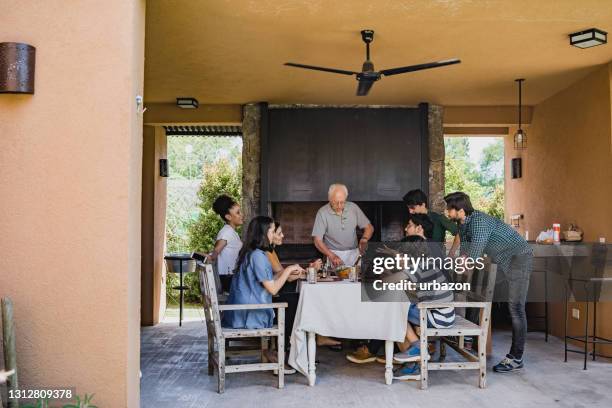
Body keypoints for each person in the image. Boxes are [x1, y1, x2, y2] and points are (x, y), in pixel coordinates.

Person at [444, 191, 533, 373]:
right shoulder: (463, 224)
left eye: (449, 208)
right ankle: (468, 340)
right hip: (500, 261)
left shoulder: (479, 221)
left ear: (460, 209)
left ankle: (516, 358)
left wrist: (453, 270)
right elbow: (466, 253)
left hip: (519, 258)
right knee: (476, 294)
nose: (446, 212)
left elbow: (473, 256)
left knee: (515, 308)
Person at [222, 216, 304, 372]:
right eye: (272, 231)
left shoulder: (252, 252)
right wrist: (287, 270)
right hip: (249, 315)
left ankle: (282, 353)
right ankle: (285, 355)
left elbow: (267, 280)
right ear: (263, 233)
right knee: (295, 303)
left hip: (241, 311)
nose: (275, 234)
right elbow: (273, 289)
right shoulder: (258, 256)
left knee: (292, 301)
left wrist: (290, 274)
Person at [391, 235, 456, 380]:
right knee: (397, 311)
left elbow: (391, 280)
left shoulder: (416, 266)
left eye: (401, 253)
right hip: (443, 315)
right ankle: (413, 364)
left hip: (438, 317)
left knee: (394, 312)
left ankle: (418, 350)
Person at [266, 223, 322, 351]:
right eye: (278, 233)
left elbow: (285, 276)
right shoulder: (266, 252)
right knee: (298, 301)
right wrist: (309, 270)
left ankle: (299, 344)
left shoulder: (271, 250)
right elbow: (286, 277)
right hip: (265, 301)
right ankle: (291, 346)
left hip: (269, 294)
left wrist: (308, 270)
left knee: (297, 297)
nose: (283, 236)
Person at [312, 183, 374, 267]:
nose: (339, 206)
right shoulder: (322, 212)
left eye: (342, 202)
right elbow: (317, 240)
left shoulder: (353, 208)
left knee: (356, 278)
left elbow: (369, 227)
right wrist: (331, 255)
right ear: (329, 199)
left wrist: (364, 239)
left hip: (354, 254)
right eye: (336, 202)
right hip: (333, 254)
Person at [403, 189, 460, 255]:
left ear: (423, 205)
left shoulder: (438, 218)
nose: (410, 211)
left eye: (412, 208)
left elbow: (459, 233)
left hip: (435, 256)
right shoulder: (412, 220)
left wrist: (451, 252)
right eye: (408, 208)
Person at [209, 195, 243, 293]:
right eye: (238, 213)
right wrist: (209, 256)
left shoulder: (231, 232)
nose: (241, 215)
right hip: (228, 279)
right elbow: (216, 252)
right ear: (228, 217)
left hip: (231, 277)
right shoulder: (227, 232)